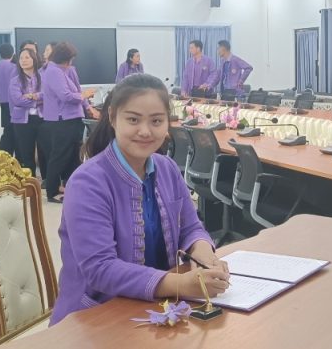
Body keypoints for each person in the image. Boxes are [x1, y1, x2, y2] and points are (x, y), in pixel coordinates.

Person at [50, 74, 230, 326]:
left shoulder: (167, 168)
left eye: (156, 121)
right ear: (112, 117)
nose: (145, 131)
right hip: (95, 317)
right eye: (133, 119)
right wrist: (181, 284)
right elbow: (100, 269)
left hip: (158, 309)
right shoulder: (87, 182)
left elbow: (191, 227)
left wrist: (203, 255)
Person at [41, 42, 99, 203]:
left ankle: (73, 187)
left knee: (74, 156)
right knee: (59, 156)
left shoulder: (64, 70)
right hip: (62, 121)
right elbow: (65, 96)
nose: (71, 62)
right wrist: (84, 95)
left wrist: (87, 105)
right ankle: (52, 191)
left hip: (72, 118)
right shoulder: (53, 71)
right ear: (63, 58)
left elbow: (76, 91)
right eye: (70, 59)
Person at [9, 47, 44, 177]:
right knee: (26, 153)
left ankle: (46, 180)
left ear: (34, 59)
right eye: (21, 58)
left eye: (27, 57)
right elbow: (17, 100)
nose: (23, 60)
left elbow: (48, 95)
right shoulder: (15, 80)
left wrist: (34, 96)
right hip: (22, 122)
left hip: (42, 118)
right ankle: (31, 180)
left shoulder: (43, 77)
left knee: (44, 151)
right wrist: (36, 101)